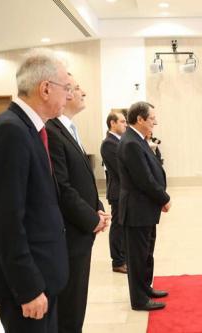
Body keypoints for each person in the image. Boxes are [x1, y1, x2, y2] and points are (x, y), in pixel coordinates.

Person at [0, 48, 73, 332]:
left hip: (43, 274)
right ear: (45, 88)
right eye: (65, 87)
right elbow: (6, 221)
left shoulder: (29, 129)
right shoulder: (11, 132)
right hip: (28, 285)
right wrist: (28, 287)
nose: (68, 95)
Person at [46, 74, 109, 333]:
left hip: (81, 228)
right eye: (78, 88)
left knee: (77, 298)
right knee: (70, 303)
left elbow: (82, 176)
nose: (83, 93)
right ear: (66, 93)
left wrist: (98, 206)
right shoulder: (51, 131)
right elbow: (62, 187)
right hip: (69, 232)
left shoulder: (69, 128)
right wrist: (92, 218)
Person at [117, 102, 171, 311]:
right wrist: (163, 198)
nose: (155, 122)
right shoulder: (131, 143)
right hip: (137, 209)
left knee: (147, 252)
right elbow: (144, 179)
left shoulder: (138, 140)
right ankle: (139, 299)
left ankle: (146, 288)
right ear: (139, 119)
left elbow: (154, 167)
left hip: (145, 208)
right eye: (151, 119)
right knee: (138, 256)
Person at [100, 110, 128, 274]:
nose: (125, 124)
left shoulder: (119, 141)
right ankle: (117, 261)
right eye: (122, 121)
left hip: (123, 191)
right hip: (118, 192)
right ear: (113, 123)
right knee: (118, 226)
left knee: (123, 226)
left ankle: (123, 257)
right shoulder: (109, 143)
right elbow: (120, 169)